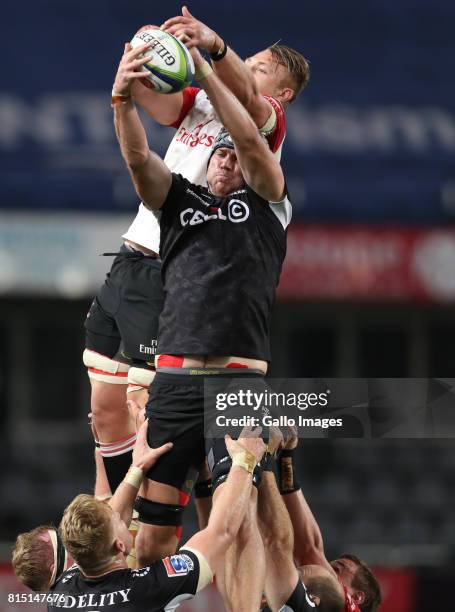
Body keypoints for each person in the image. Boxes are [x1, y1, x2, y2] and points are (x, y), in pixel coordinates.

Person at [84, 10, 309, 501]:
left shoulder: (267, 117)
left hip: (176, 264)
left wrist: (214, 46)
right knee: (104, 409)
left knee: (146, 410)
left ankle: (137, 525)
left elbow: (247, 98)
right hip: (131, 255)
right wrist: (136, 62)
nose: (249, 68)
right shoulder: (203, 100)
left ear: (284, 90)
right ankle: (104, 521)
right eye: (247, 60)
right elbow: (158, 104)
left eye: (261, 66)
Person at [112, 32, 293, 609]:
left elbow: (247, 131)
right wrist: (121, 101)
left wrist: (206, 67)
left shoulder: (271, 200)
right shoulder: (179, 203)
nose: (223, 156)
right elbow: (140, 158)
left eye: (232, 152)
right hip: (173, 382)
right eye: (214, 153)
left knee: (234, 524)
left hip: (238, 381)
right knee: (153, 540)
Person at [46, 424, 266, 611]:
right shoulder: (147, 590)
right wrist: (245, 461)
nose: (120, 512)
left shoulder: (62, 593)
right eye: (119, 520)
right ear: (120, 545)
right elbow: (221, 531)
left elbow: (102, 527)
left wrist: (137, 467)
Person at [275, 435, 382, 612]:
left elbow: (309, 550)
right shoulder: (299, 600)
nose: (320, 569)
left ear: (356, 597)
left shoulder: (347, 607)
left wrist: (285, 458)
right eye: (331, 568)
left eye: (337, 571)